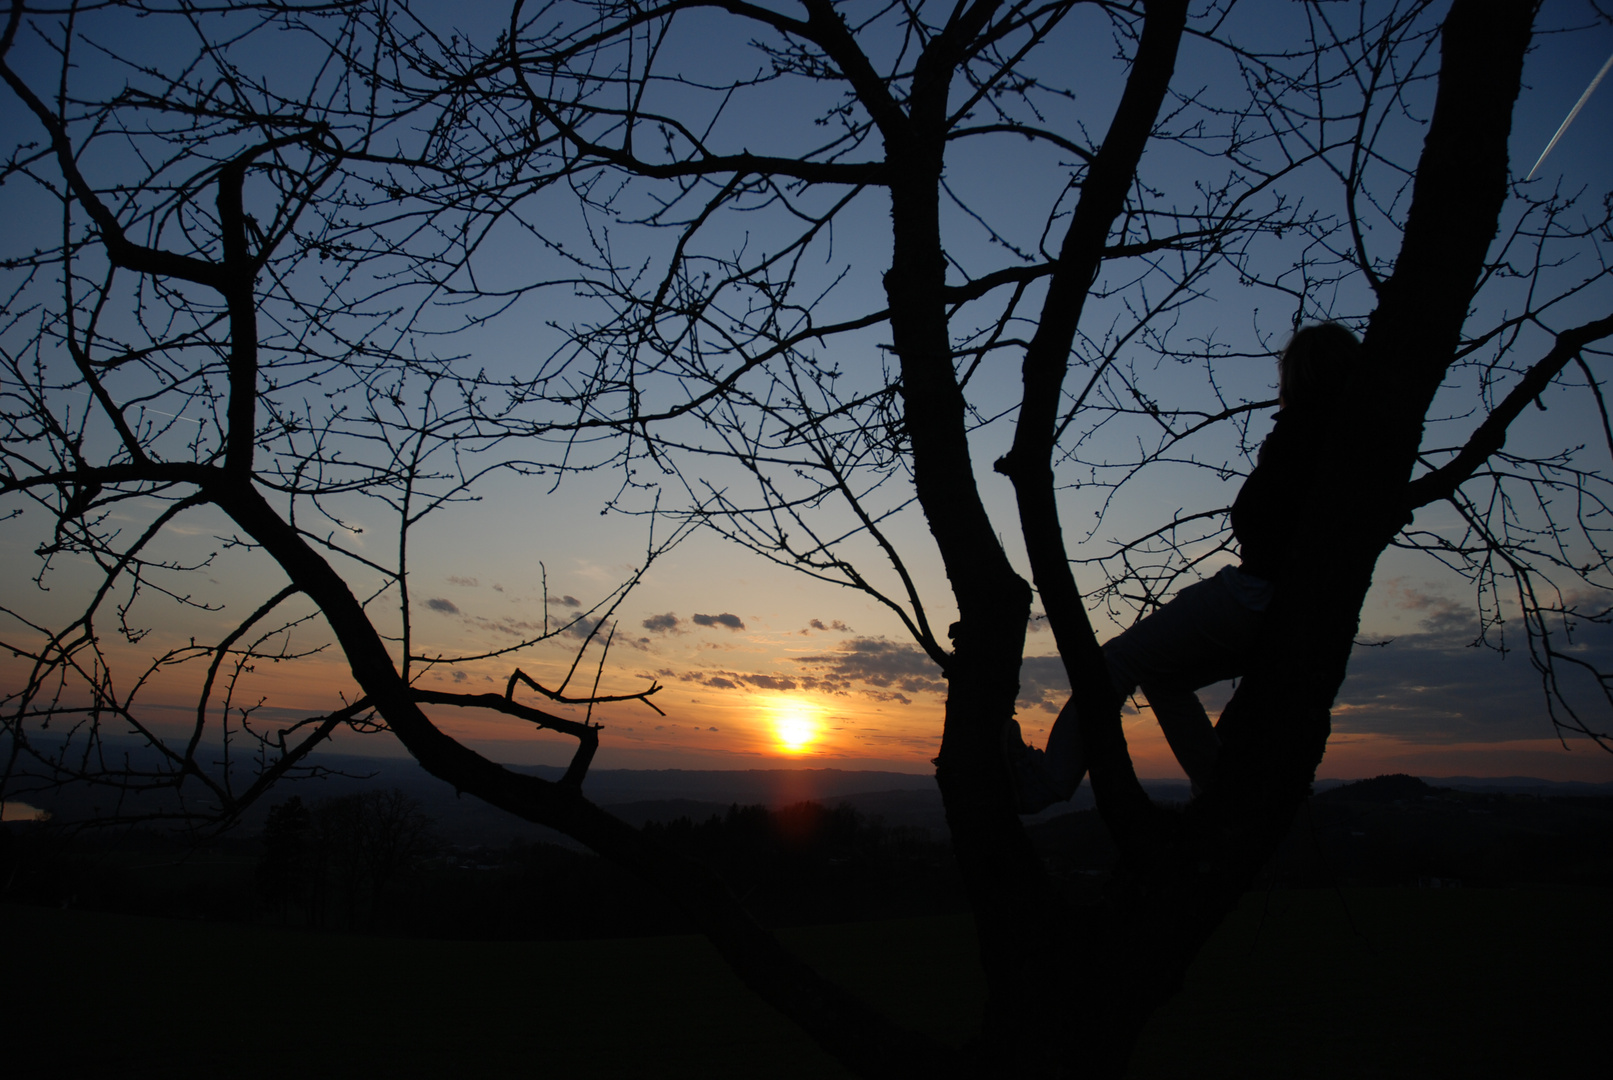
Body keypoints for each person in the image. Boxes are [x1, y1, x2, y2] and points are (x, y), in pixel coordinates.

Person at [1005, 322, 1360, 812]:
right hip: (1293, 612)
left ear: (1299, 378)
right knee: (1165, 676)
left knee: (1118, 661)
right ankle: (1217, 788)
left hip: (1253, 595)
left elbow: (1258, 523)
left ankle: (1050, 780)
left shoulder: (1301, 436)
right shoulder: (1351, 444)